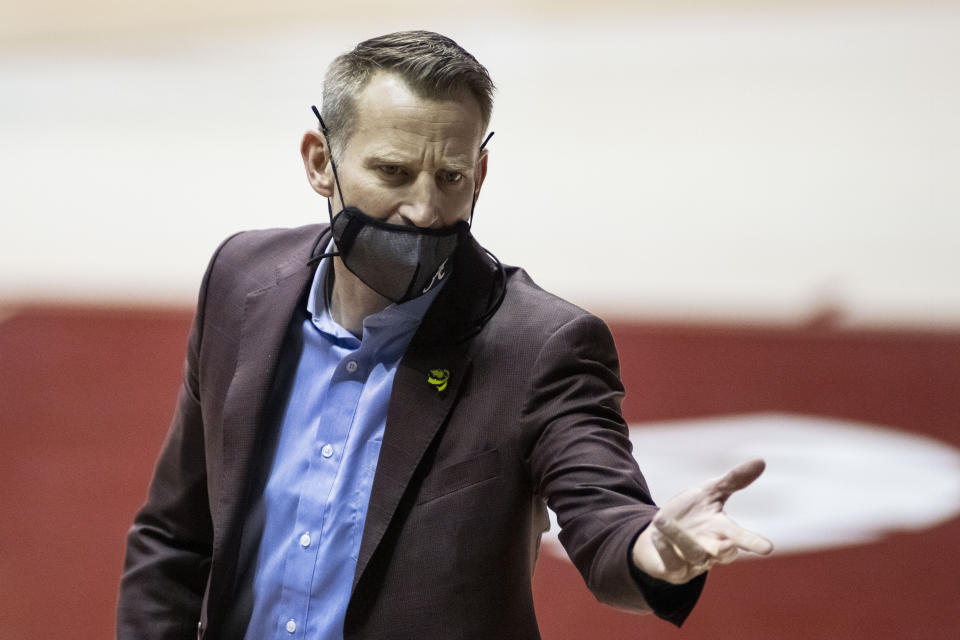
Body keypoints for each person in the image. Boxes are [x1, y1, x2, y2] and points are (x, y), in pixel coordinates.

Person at [117, 31, 772, 640]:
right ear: (321, 163)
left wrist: (650, 550)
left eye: (450, 178)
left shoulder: (540, 345)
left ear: (479, 176)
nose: (425, 210)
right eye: (395, 173)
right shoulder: (243, 282)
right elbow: (176, 534)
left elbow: (603, 512)